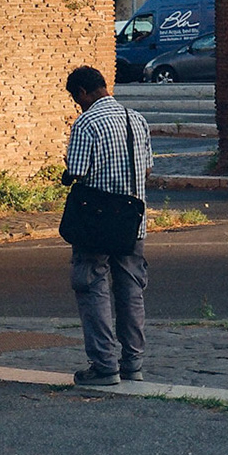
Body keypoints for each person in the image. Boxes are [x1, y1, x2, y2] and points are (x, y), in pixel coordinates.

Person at [62, 64, 153, 387]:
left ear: (84, 92)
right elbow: (147, 169)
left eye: (78, 98)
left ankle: (104, 365)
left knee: (92, 286)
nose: (79, 104)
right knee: (131, 291)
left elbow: (76, 171)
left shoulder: (86, 123)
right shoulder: (136, 119)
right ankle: (133, 362)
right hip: (133, 223)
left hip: (96, 224)